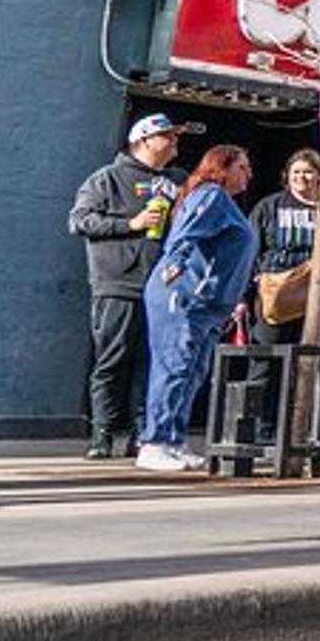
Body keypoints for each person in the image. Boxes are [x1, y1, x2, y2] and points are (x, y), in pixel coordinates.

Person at [68, 113, 197, 460]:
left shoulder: (178, 180)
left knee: (151, 363)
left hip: (162, 287)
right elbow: (80, 221)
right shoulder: (107, 179)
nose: (174, 141)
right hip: (118, 284)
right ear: (143, 140)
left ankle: (143, 434)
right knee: (111, 359)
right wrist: (131, 224)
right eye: (167, 136)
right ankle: (102, 435)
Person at [138, 145, 259, 472]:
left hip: (210, 304)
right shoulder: (211, 195)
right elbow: (186, 231)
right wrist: (175, 263)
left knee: (193, 371)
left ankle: (174, 440)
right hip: (186, 296)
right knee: (174, 366)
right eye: (242, 167)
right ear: (223, 168)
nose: (248, 174)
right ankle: (154, 442)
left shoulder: (227, 204)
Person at [244, 150, 320, 422]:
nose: (301, 177)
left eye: (308, 172)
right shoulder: (270, 207)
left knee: (309, 366)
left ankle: (299, 428)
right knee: (266, 364)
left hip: (319, 301)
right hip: (275, 298)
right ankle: (261, 426)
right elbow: (248, 252)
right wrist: (242, 296)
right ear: (287, 175)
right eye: (296, 172)